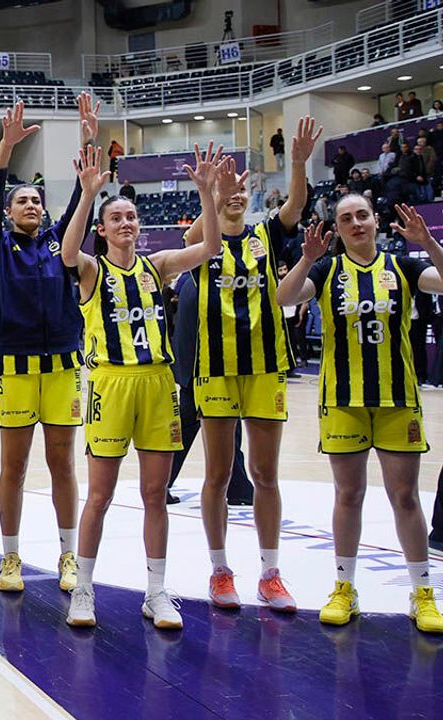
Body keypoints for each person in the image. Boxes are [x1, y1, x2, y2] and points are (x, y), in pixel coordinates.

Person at [60, 142, 226, 630]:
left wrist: (207, 194)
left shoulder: (159, 265)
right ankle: (83, 589)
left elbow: (210, 249)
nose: (126, 223)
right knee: (100, 495)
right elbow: (67, 252)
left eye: (131, 216)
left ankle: (156, 592)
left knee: (156, 494)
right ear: (103, 229)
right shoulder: (93, 270)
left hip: (157, 383)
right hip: (111, 384)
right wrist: (87, 194)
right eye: (116, 218)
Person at [275, 200, 443, 634]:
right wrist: (307, 258)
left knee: (405, 497)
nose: (355, 223)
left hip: (396, 399)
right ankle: (344, 587)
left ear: (375, 220)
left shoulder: (403, 267)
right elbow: (283, 298)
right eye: (346, 218)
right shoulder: (326, 270)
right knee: (348, 495)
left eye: (362, 215)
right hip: (343, 400)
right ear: (337, 227)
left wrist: (428, 242)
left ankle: (422, 593)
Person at [179, 117, 320, 612]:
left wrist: (297, 163)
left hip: (264, 367)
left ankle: (270, 574)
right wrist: (213, 193)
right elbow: (196, 235)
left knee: (265, 474)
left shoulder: (264, 234)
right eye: (229, 190)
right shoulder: (204, 244)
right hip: (215, 369)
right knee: (217, 475)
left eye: (241, 190)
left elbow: (295, 207)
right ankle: (220, 570)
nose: (236, 195)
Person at [0, 97, 96, 594]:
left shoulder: (59, 243)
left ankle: (68, 555)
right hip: (16, 368)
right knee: (15, 466)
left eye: (36, 200)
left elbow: (84, 198)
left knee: (62, 463)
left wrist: (88, 138)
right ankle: (10, 557)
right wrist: (5, 148)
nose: (31, 205)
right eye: (21, 200)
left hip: (64, 365)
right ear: (8, 212)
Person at [166, 272, 252, 506]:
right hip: (206, 370)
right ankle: (239, 489)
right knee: (225, 429)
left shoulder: (189, 280)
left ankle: (239, 487)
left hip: (192, 368)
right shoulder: (210, 283)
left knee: (193, 429)